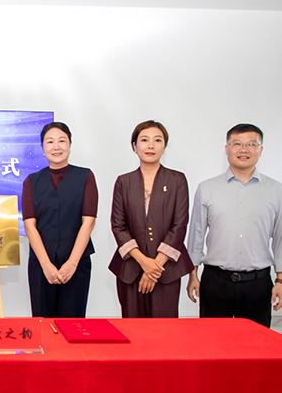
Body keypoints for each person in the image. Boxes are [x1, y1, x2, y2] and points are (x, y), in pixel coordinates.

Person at [186, 123, 282, 327]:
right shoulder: (207, 188)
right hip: (215, 282)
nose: (244, 149)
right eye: (237, 144)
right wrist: (192, 275)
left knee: (256, 344)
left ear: (260, 150)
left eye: (251, 144)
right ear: (226, 149)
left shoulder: (275, 190)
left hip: (258, 284)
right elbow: (196, 236)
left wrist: (281, 281)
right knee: (214, 341)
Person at [108, 121, 194, 317]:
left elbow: (180, 225)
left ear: (164, 146)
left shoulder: (177, 180)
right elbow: (118, 226)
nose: (151, 146)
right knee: (132, 327)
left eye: (157, 140)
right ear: (134, 146)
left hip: (166, 270)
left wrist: (155, 267)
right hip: (130, 269)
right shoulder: (124, 182)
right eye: (144, 140)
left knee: (164, 329)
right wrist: (144, 262)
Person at [22, 121, 98, 318]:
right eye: (50, 142)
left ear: (70, 144)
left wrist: (72, 263)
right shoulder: (31, 181)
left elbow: (88, 222)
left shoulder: (85, 176)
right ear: (43, 147)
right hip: (41, 265)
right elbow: (30, 226)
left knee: (73, 324)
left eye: (62, 141)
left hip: (76, 264)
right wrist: (46, 265)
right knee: (43, 323)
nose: (56, 146)